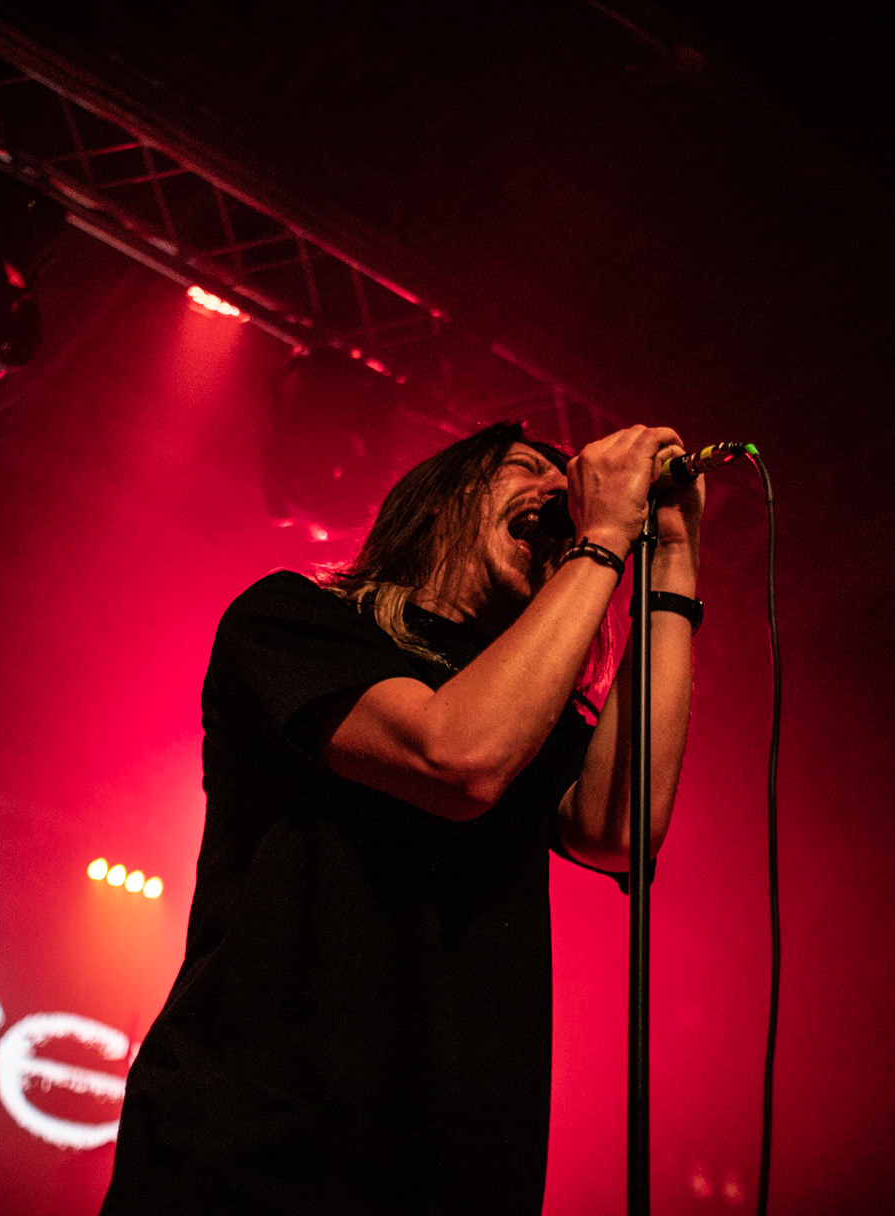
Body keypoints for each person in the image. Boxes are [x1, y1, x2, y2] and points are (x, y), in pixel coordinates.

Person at [103, 421, 703, 1213]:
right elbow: (456, 758)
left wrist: (674, 559)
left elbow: (618, 831)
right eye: (527, 468)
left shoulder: (533, 712)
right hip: (254, 1155)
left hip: (454, 1173)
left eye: (569, 482)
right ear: (441, 500)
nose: (562, 491)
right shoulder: (295, 618)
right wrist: (602, 539)